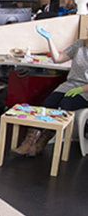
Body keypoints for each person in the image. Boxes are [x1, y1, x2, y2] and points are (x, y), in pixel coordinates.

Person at [13, 26, 88, 156]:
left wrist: (81, 89)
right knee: (47, 104)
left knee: (65, 104)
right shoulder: (80, 44)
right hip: (70, 85)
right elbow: (58, 58)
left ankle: (40, 144)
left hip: (86, 90)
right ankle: (28, 142)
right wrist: (49, 39)